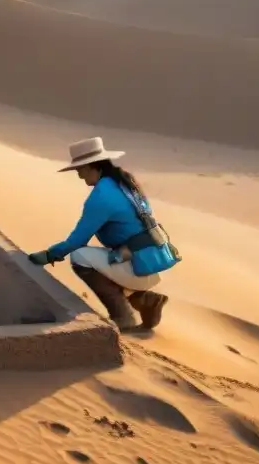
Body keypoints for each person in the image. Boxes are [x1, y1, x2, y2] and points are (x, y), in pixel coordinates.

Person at [28, 137, 179, 332]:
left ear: (93, 166)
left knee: (80, 256)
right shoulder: (125, 182)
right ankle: (144, 300)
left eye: (80, 169)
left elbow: (77, 240)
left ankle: (122, 316)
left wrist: (50, 254)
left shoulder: (102, 196)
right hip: (151, 261)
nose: (80, 176)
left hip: (138, 267)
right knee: (101, 260)